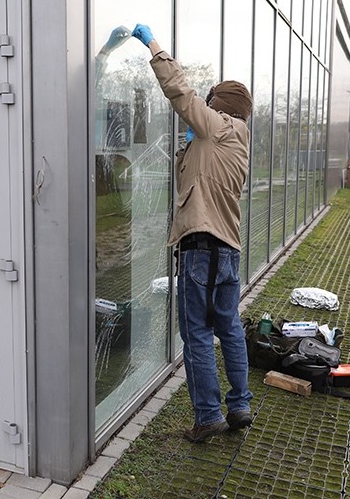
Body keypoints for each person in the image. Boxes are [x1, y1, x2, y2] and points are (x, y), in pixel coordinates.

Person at [131, 23, 254, 442]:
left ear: (220, 106)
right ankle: (239, 405)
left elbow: (180, 93)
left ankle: (207, 416)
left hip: (200, 249)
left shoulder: (214, 127)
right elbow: (198, 177)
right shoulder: (236, 139)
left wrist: (154, 46)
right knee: (230, 328)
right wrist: (186, 146)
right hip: (228, 251)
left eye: (212, 101)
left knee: (198, 335)